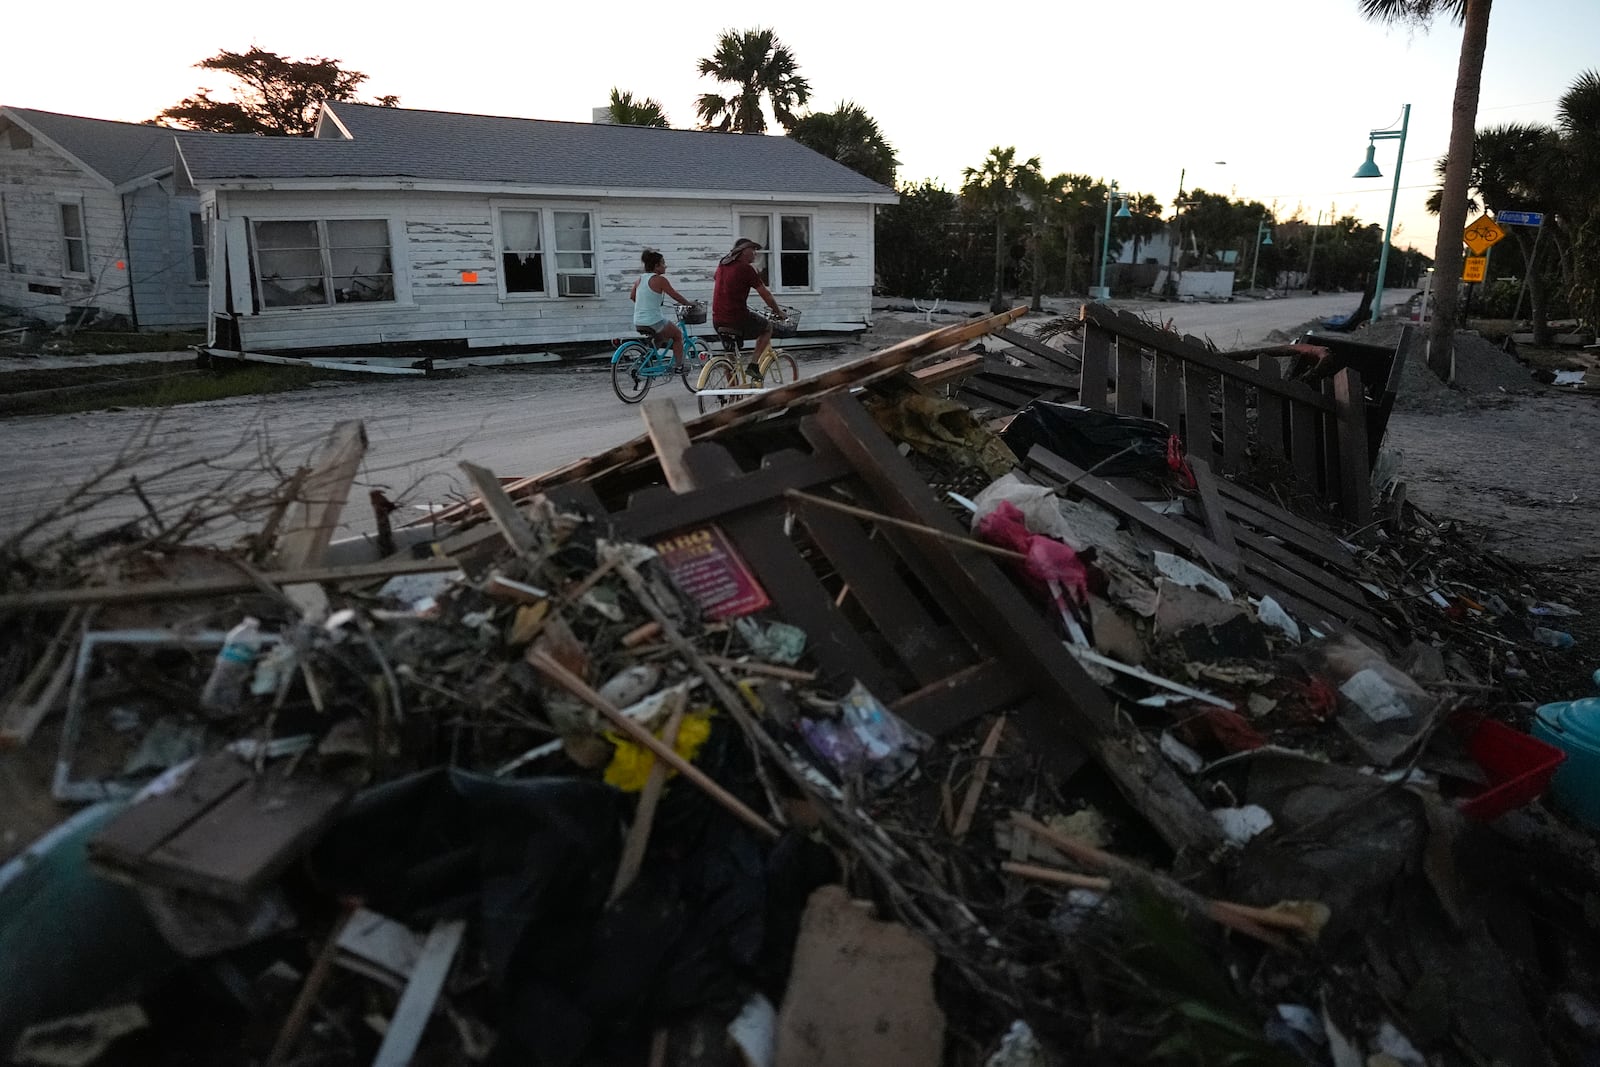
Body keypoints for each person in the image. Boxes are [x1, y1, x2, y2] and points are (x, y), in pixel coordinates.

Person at [712, 237, 786, 378]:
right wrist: (778, 311)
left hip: (718, 319)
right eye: (753, 250)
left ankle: (733, 395)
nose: (755, 253)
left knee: (730, 358)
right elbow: (766, 294)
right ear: (744, 251)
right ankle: (753, 365)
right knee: (767, 327)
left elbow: (718, 279)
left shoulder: (722, 264)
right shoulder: (746, 269)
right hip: (736, 318)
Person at [629, 249, 695, 371]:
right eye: (663, 263)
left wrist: (647, 303)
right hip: (653, 320)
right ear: (656, 266)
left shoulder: (640, 279)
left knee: (659, 337)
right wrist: (689, 304)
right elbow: (674, 295)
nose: (666, 266)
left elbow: (632, 297)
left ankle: (646, 360)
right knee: (677, 335)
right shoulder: (660, 280)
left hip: (638, 321)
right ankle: (679, 367)